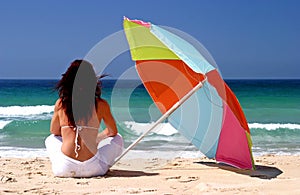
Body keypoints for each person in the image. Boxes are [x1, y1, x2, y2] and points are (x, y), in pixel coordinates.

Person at [45, 59, 123, 178]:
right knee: (118, 138)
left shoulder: (61, 104)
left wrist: (69, 132)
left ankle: (62, 161)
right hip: (93, 169)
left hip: (65, 169)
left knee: (51, 139)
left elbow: (54, 132)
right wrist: (96, 139)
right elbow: (113, 132)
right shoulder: (101, 104)